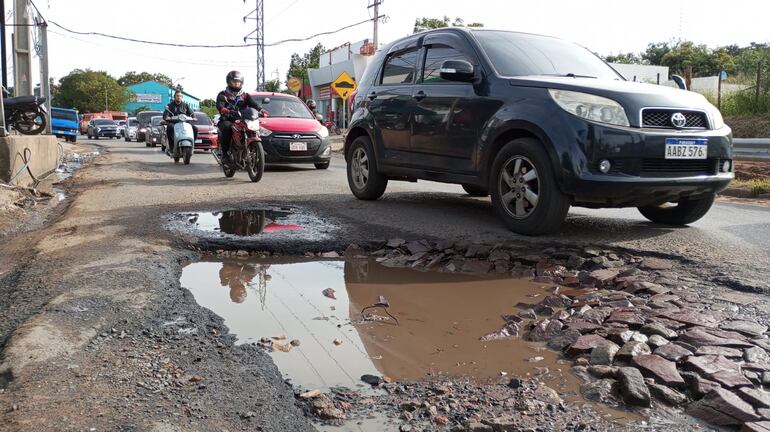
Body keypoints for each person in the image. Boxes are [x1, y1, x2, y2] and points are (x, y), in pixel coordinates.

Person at [216, 70, 262, 162]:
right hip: (227, 119)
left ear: (241, 83)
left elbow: (253, 104)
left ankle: (249, 148)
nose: (236, 84)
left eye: (238, 82)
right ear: (229, 82)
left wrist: (261, 110)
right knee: (228, 128)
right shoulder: (223, 94)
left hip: (241, 119)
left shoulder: (245, 95)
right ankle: (225, 154)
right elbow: (219, 104)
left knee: (251, 128)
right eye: (234, 82)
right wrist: (223, 109)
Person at [163, 90, 197, 154]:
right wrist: (167, 117)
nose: (178, 97)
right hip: (174, 123)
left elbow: (191, 113)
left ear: (182, 97)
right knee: (170, 127)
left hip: (185, 123)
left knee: (195, 129)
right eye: (177, 96)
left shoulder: (186, 105)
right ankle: (171, 145)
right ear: (174, 97)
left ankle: (192, 144)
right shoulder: (170, 105)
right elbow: (165, 115)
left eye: (180, 96)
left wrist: (194, 117)